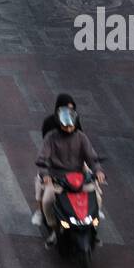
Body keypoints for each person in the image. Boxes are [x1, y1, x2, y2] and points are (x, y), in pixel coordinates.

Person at [36, 107, 106, 244]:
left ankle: (93, 228)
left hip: (79, 178)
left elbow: (91, 157)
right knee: (47, 201)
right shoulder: (51, 138)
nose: (68, 129)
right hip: (57, 179)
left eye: (71, 126)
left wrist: (98, 170)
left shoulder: (81, 137)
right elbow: (42, 158)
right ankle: (54, 230)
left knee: (97, 198)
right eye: (65, 126)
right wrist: (45, 174)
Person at [32, 94, 83, 225]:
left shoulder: (75, 122)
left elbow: (84, 143)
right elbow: (45, 148)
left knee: (93, 186)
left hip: (72, 162)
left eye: (71, 109)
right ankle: (39, 212)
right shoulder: (50, 126)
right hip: (54, 163)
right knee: (41, 184)